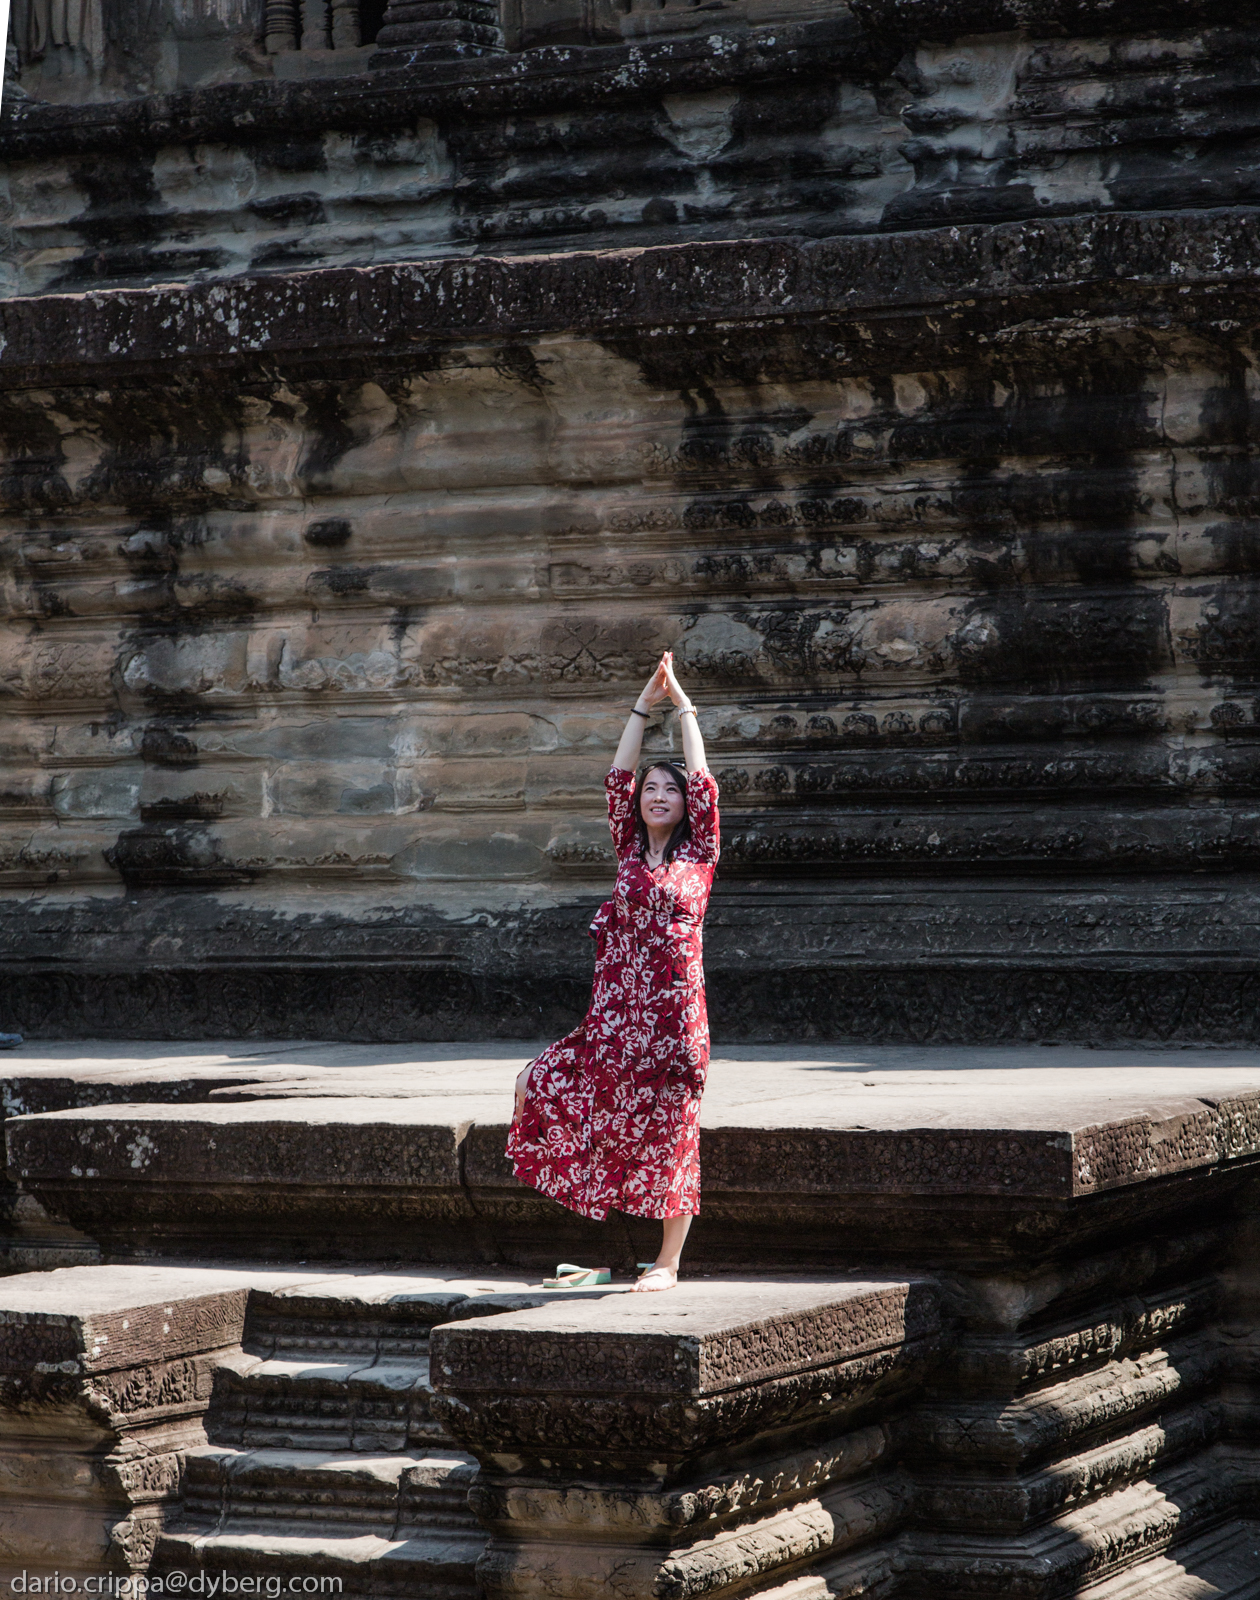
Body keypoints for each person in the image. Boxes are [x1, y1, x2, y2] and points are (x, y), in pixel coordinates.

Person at [506, 650, 719, 1292]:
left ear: (685, 805)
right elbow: (617, 777)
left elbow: (704, 780)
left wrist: (683, 707)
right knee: (538, 1083)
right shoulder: (627, 849)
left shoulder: (701, 853)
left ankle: (668, 1262)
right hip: (617, 1016)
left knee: (674, 1131)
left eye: (670, 790)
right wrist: (641, 706)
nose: (658, 796)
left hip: (675, 1019)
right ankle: (614, 1240)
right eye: (651, 789)